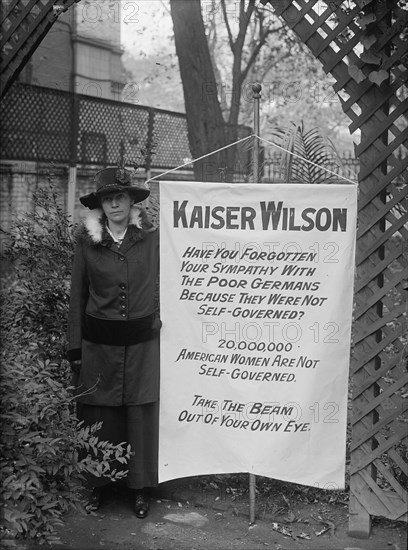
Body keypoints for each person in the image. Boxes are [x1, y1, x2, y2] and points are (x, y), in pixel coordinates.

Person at [67, 166, 160, 519]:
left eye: (121, 196)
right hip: (99, 348)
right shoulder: (87, 243)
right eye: (108, 198)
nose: (115, 203)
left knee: (140, 415)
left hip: (141, 346)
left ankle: (139, 489)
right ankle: (99, 486)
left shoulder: (150, 238)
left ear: (131, 200)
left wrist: (159, 316)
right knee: (100, 414)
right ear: (101, 206)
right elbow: (78, 296)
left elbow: (166, 281)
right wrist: (75, 347)